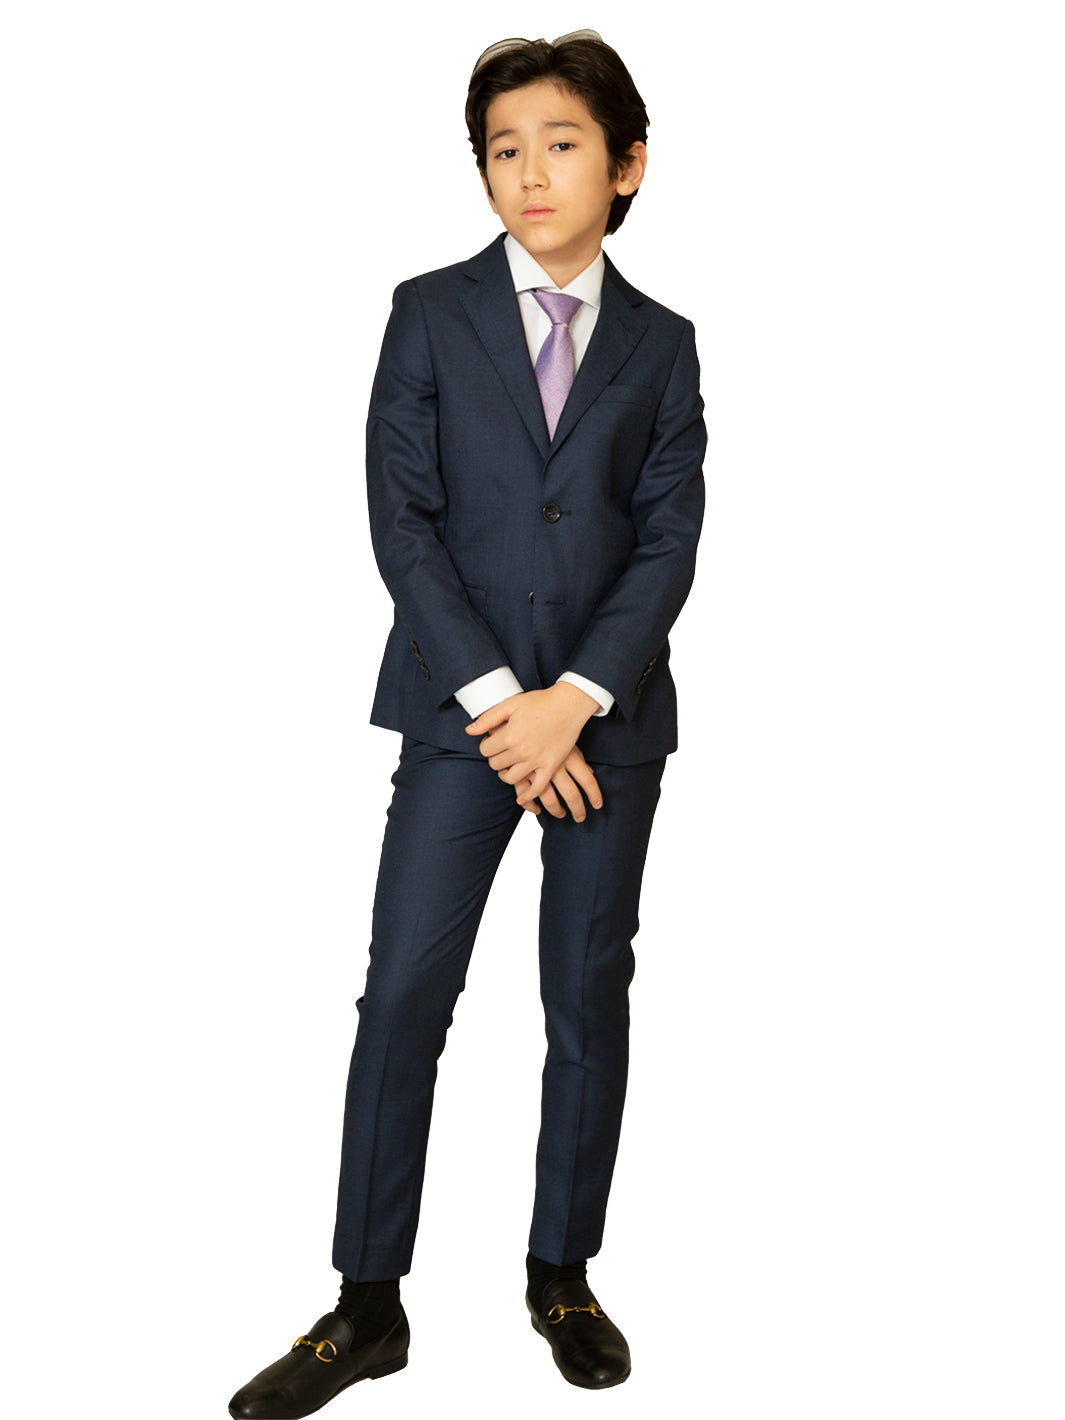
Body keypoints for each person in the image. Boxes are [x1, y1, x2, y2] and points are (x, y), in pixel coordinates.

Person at [229, 30, 706, 1417]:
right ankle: (365, 1306)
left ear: (626, 164)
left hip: (606, 728)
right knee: (401, 997)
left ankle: (562, 1273)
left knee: (585, 997)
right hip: (462, 721)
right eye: (504, 149)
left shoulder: (664, 344)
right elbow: (403, 520)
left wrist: (576, 699)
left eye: (561, 144)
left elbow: (668, 538)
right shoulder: (429, 312)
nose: (530, 173)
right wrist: (504, 704)